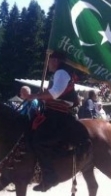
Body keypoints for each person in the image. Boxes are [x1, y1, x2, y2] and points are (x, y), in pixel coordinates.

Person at [28, 51, 90, 192]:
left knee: (39, 141)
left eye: (50, 60)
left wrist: (35, 96)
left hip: (58, 114)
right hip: (53, 112)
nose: (48, 63)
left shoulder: (61, 73)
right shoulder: (59, 73)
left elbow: (54, 93)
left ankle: (50, 177)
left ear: (55, 60)